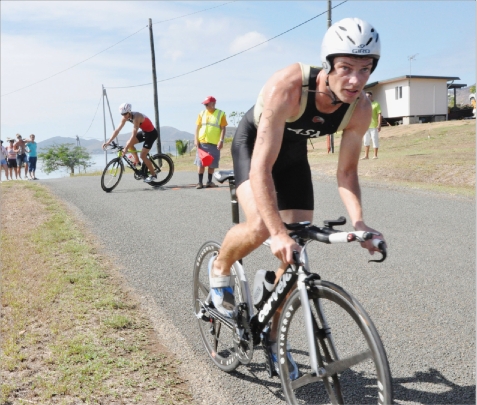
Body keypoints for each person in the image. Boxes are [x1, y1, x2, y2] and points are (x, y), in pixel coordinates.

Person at [207, 18, 386, 380]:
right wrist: (276, 232)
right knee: (261, 227)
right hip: (255, 147)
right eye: (347, 68)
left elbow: (347, 173)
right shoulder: (287, 86)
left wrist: (361, 224)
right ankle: (220, 268)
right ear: (328, 65)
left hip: (293, 157)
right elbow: (260, 169)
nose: (356, 80)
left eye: (365, 70)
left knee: (298, 245)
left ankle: (274, 341)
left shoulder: (360, 108)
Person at [103, 103, 159, 183]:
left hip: (151, 134)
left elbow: (134, 133)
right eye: (122, 114)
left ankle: (153, 175)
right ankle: (137, 162)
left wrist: (125, 148)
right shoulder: (125, 117)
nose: (124, 116)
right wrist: (108, 142)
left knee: (142, 155)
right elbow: (117, 130)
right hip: (144, 132)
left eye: (125, 114)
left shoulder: (137, 116)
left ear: (129, 111)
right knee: (129, 143)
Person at [194, 96, 227, 189]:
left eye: (207, 104)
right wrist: (195, 139)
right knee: (200, 163)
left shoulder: (221, 114)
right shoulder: (201, 113)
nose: (205, 106)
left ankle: (209, 181)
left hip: (214, 143)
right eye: (204, 104)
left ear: (213, 104)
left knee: (212, 163)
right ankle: (200, 182)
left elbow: (223, 128)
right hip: (202, 142)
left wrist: (221, 141)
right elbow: (197, 127)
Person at [361, 91, 382, 159]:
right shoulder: (364, 104)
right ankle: (366, 155)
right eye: (366, 96)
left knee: (374, 140)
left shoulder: (376, 104)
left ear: (371, 96)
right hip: (366, 126)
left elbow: (379, 114)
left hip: (374, 126)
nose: (367, 97)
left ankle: (375, 155)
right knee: (366, 141)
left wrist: (379, 124)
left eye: (368, 96)